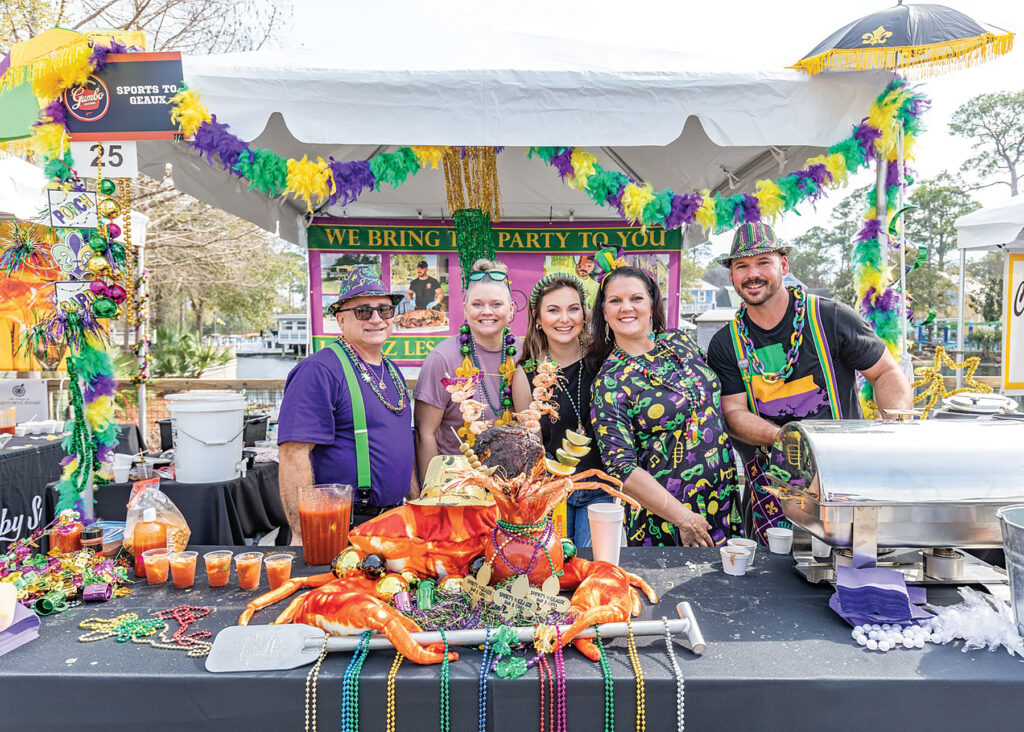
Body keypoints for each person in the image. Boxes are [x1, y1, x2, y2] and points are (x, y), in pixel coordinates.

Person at [706, 223, 913, 545]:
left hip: (843, 474)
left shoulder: (831, 318)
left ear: (783, 265)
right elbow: (733, 412)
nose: (752, 274)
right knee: (771, 578)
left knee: (849, 561)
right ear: (731, 276)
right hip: (771, 481)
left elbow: (886, 372)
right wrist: (789, 441)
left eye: (764, 263)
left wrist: (894, 430)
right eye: (741, 266)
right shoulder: (726, 343)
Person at [588, 263, 742, 548]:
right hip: (668, 523)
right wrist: (684, 519)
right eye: (615, 301)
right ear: (604, 312)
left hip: (722, 500)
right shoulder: (609, 383)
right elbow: (621, 468)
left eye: (636, 298)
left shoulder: (679, 341)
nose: (626, 307)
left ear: (651, 303)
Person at [277, 267, 415, 540]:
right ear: (341, 321)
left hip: (395, 523)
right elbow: (293, 455)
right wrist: (303, 537)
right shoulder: (319, 370)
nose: (376, 318)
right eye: (363, 311)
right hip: (343, 528)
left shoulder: (392, 370)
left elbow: (401, 443)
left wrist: (416, 503)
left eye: (385, 310)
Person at [511, 273, 612, 547]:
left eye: (573, 309)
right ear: (539, 319)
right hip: (553, 494)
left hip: (600, 489)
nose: (564, 319)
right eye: (553, 310)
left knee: (594, 565)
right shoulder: (526, 374)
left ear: (585, 314)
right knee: (557, 570)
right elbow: (528, 449)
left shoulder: (605, 361)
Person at [415, 259, 523, 480]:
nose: (486, 312)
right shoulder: (442, 358)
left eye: (496, 304)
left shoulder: (525, 354)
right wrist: (432, 493)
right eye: (477, 304)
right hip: (456, 484)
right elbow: (425, 433)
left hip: (509, 483)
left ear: (511, 310)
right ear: (465, 308)